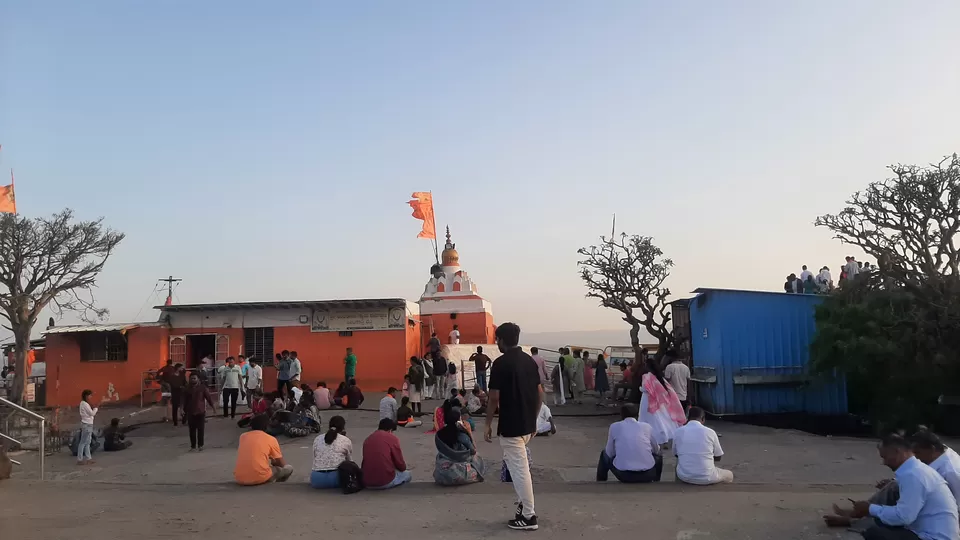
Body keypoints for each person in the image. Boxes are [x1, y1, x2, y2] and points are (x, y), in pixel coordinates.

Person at [831, 433, 958, 540]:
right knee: (882, 519)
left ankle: (856, 517)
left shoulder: (914, 475)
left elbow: (903, 517)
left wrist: (870, 508)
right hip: (924, 529)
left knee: (874, 533)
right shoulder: (917, 469)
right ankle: (855, 517)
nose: (884, 462)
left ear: (897, 452)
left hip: (933, 537)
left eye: (885, 457)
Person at [485, 322, 543, 531]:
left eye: (497, 339)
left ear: (501, 340)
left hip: (511, 426)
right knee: (519, 469)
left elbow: (493, 398)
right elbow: (540, 393)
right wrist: (534, 419)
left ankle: (529, 516)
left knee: (520, 472)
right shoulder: (529, 361)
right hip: (527, 425)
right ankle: (522, 508)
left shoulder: (500, 364)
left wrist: (488, 424)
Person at [597, 404, 663, 483]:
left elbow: (609, 452)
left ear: (621, 415)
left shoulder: (614, 426)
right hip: (648, 474)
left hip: (624, 475)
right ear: (637, 414)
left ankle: (600, 481)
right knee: (659, 455)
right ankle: (656, 481)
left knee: (604, 454)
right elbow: (656, 450)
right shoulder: (646, 426)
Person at [673, 407, 732, 485]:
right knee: (729, 475)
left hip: (684, 476)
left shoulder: (678, 432)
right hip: (707, 477)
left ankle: (677, 486)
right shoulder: (710, 432)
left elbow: (676, 454)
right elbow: (718, 457)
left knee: (679, 460)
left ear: (688, 418)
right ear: (703, 419)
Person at [233, 414, 293, 485]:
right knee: (288, 468)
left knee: (267, 467)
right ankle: (274, 484)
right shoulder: (271, 439)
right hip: (259, 477)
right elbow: (281, 463)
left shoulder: (242, 436)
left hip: (240, 478)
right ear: (267, 426)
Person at [639, 356, 686, 446]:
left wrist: (640, 389)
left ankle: (648, 435)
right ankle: (665, 434)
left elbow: (645, 389)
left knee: (648, 418)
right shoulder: (659, 377)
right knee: (661, 418)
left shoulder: (647, 376)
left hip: (647, 399)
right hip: (659, 401)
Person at [434, 407, 486, 485]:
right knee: (477, 457)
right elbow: (473, 450)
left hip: (442, 472)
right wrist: (469, 432)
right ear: (459, 420)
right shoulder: (460, 434)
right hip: (456, 471)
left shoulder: (439, 434)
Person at [911, 427, 960, 505]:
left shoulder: (950, 473)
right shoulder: (940, 452)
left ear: (932, 449)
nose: (915, 457)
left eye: (917, 452)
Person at [362, 418, 412, 490]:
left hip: (367, 481)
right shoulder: (392, 438)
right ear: (390, 430)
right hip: (385, 481)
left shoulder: (368, 439)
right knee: (408, 474)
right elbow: (401, 465)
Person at [310, 415, 353, 489]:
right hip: (336, 479)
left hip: (316, 480)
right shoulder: (345, 440)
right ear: (343, 428)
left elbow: (315, 456)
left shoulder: (317, 439)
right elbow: (349, 462)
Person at [183, 373, 217, 451]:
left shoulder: (202, 388)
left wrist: (214, 409)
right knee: (192, 430)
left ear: (198, 379)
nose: (193, 380)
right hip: (190, 412)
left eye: (194, 378)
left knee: (200, 429)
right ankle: (193, 446)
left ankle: (200, 445)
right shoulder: (187, 389)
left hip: (201, 411)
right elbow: (184, 400)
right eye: (191, 378)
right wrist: (182, 409)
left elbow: (209, 398)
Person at [77, 389, 99, 465]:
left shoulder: (84, 403)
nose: (91, 397)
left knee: (87, 442)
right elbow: (92, 413)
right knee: (83, 442)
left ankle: (88, 458)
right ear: (86, 396)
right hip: (86, 424)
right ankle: (79, 459)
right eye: (90, 395)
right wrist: (96, 408)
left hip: (88, 424)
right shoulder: (84, 404)